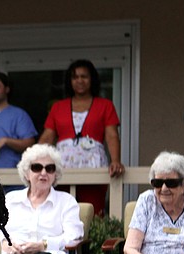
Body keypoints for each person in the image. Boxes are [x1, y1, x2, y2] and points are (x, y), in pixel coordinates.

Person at [38, 59, 124, 215]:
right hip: (63, 167)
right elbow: (47, 138)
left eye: (84, 76)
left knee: (93, 209)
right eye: (75, 77)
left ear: (92, 79)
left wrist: (116, 161)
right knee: (62, 211)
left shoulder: (105, 105)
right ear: (70, 81)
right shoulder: (58, 107)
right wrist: (35, 160)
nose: (79, 80)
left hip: (93, 166)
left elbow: (112, 135)